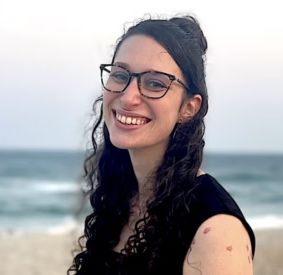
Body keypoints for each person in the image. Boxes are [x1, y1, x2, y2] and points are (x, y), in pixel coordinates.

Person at [68, 14, 255, 275]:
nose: (128, 96)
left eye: (155, 83)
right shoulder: (122, 195)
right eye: (121, 75)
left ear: (189, 107)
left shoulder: (216, 229)